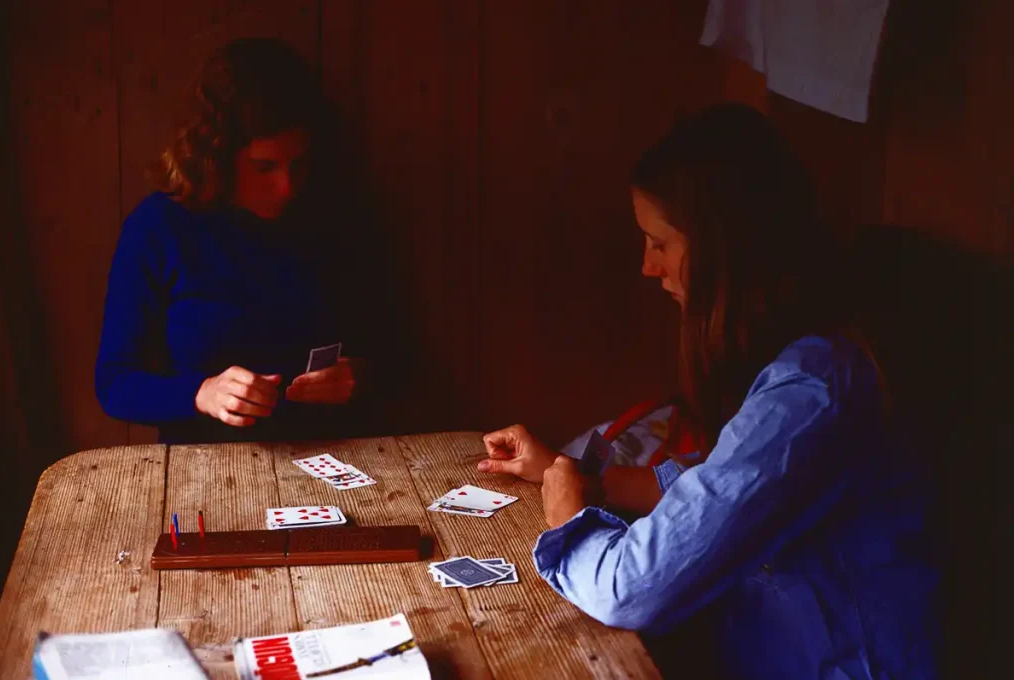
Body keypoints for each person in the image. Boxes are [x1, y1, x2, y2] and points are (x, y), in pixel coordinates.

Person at [479, 104, 939, 678]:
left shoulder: (814, 393)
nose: (648, 268)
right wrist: (580, 475)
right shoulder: (804, 356)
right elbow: (720, 480)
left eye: (661, 244)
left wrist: (570, 518)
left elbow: (629, 588)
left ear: (727, 248)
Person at [95, 38, 388, 444]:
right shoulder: (159, 227)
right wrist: (201, 393)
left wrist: (358, 376)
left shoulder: (331, 216)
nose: (287, 187)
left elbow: (393, 353)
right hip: (201, 465)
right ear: (215, 157)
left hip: (328, 459)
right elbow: (114, 383)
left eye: (298, 163)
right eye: (263, 167)